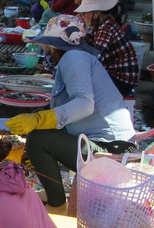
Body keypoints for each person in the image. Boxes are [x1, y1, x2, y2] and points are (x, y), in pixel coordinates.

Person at [8, 15, 136, 213]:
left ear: (56, 46)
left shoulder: (73, 57)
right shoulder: (81, 57)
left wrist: (40, 120)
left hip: (110, 149)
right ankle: (54, 195)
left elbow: (85, 104)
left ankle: (57, 205)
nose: (47, 51)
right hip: (111, 143)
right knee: (47, 133)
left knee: (38, 139)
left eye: (49, 47)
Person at [73, 0, 139, 96]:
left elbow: (95, 59)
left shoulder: (106, 28)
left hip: (122, 81)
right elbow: (91, 44)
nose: (83, 16)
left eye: (85, 13)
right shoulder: (102, 25)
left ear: (97, 12)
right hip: (118, 77)